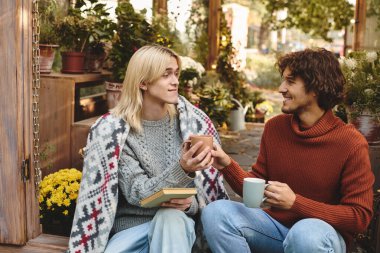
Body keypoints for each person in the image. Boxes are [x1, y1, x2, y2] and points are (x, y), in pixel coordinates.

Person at [202, 48, 374, 253]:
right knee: (216, 212)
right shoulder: (275, 128)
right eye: (283, 80)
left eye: (290, 81)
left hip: (322, 237)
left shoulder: (351, 143)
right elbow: (257, 188)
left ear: (316, 87)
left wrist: (296, 203)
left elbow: (359, 217)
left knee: (304, 233)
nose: (281, 88)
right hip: (276, 229)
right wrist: (226, 165)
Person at [67, 45, 228, 253]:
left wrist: (189, 205)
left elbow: (205, 193)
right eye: (166, 75)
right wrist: (183, 169)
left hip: (176, 228)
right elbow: (137, 192)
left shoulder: (194, 124)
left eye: (176, 74)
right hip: (133, 229)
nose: (175, 81)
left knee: (169, 217)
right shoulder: (114, 132)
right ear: (143, 82)